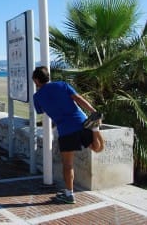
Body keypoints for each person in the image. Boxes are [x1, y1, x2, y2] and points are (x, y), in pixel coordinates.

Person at [32, 66, 104, 204]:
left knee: (68, 165)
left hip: (65, 130)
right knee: (97, 148)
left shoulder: (37, 97)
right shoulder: (62, 85)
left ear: (36, 80)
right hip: (81, 122)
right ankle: (95, 130)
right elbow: (78, 98)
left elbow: (40, 111)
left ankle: (69, 194)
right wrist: (93, 111)